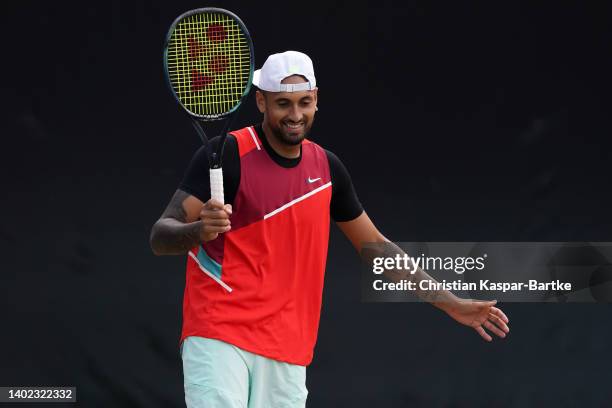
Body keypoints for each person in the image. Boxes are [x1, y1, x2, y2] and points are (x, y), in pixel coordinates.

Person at [150, 50, 510, 408]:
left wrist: (451, 304)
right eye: (283, 104)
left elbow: (377, 249)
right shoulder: (228, 153)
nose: (295, 115)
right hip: (219, 334)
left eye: (304, 102)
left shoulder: (327, 169)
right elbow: (160, 236)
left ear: (317, 99)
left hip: (288, 346)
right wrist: (199, 230)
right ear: (261, 101)